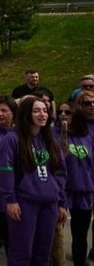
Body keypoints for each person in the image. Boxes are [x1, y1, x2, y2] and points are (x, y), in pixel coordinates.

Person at [0, 95, 68, 266]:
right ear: (26, 114)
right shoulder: (12, 139)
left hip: (49, 203)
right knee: (22, 253)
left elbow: (60, 172)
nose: (42, 114)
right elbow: (4, 171)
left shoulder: (51, 140)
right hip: (24, 203)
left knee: (43, 254)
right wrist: (10, 200)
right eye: (36, 111)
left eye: (44, 111)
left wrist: (62, 202)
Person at [63, 91, 94, 266]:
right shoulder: (54, 135)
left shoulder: (86, 137)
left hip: (84, 190)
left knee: (80, 234)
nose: (64, 115)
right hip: (61, 192)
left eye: (68, 113)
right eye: (61, 112)